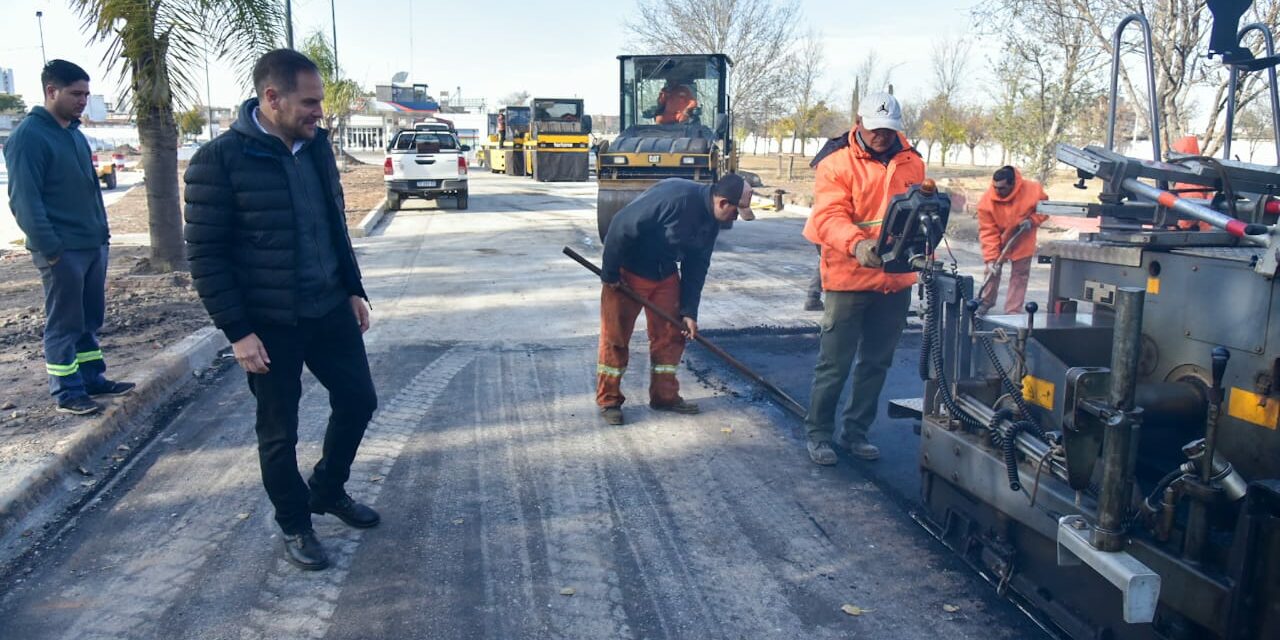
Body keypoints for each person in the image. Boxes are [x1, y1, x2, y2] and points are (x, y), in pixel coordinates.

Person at [184, 49, 379, 572]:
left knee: (359, 401)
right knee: (278, 431)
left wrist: (352, 288)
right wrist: (238, 332)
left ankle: (327, 490)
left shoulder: (316, 148)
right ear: (272, 98)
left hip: (329, 308)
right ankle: (295, 523)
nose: (320, 111)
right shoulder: (219, 161)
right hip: (270, 323)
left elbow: (333, 222)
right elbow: (205, 254)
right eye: (309, 101)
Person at [4, 60, 135, 416]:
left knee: (89, 318)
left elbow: (89, 190)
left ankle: (92, 378)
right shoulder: (29, 137)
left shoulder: (74, 133)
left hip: (92, 244)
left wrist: (102, 236)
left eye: (86, 94)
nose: (82, 101)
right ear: (51, 91)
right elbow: (24, 201)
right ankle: (67, 390)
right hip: (63, 251)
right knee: (64, 322)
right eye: (76, 94)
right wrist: (52, 249)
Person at [802, 92, 924, 466]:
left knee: (876, 363)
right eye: (874, 129)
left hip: (893, 279)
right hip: (849, 276)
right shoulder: (837, 164)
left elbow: (918, 213)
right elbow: (829, 216)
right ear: (860, 121)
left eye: (888, 130)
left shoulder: (912, 163)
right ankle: (819, 434)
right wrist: (857, 246)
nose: (881, 136)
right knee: (834, 363)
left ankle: (856, 432)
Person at [597, 175, 755, 425]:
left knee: (672, 334)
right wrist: (611, 274)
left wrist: (689, 311)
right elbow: (620, 225)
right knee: (616, 338)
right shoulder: (675, 199)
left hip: (665, 273)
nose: (736, 218)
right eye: (737, 212)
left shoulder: (711, 222)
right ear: (724, 203)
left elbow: (697, 265)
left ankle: (664, 396)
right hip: (629, 271)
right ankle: (609, 400)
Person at [976, 165, 1048, 316]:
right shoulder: (986, 202)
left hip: (1022, 238)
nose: (997, 191)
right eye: (994, 187)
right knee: (992, 271)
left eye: (1001, 188)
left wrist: (1033, 220)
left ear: (1013, 184)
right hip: (1000, 240)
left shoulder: (1033, 190)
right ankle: (986, 302)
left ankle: (1013, 311)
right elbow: (988, 232)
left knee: (1020, 276)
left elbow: (1045, 210)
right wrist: (990, 259)